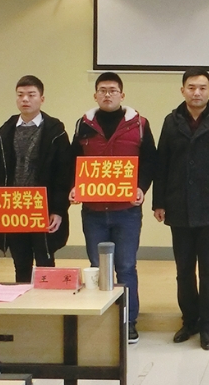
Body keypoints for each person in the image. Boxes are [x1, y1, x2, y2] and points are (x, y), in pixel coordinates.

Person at [153, 67, 209, 351]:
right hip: (178, 206)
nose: (197, 93)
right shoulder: (171, 121)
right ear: (182, 91)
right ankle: (189, 320)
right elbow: (162, 164)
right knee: (184, 269)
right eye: (191, 87)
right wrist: (159, 202)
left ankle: (207, 325)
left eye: (202, 88)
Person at [69, 72, 157, 344]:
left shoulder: (139, 124)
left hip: (126, 211)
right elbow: (73, 161)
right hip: (93, 211)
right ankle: (103, 320)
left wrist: (141, 187)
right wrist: (74, 186)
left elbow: (150, 161)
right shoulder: (83, 124)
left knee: (126, 266)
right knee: (97, 267)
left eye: (113, 90)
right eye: (103, 90)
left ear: (122, 94)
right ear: (95, 94)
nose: (107, 94)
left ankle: (129, 322)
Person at [0, 75, 71, 283]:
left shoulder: (55, 131)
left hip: (43, 207)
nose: (25, 99)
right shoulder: (4, 131)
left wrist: (58, 210)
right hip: (13, 207)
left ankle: (47, 302)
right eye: (20, 95)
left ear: (42, 99)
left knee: (45, 263)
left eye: (31, 95)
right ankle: (23, 300)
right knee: (20, 263)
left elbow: (64, 173)